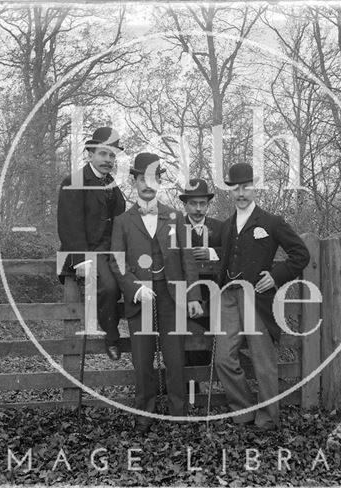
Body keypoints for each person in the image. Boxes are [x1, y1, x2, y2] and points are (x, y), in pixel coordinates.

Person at [109, 152, 203, 434]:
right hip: (140, 297)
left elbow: (187, 257)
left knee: (175, 358)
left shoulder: (174, 216)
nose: (147, 184)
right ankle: (144, 414)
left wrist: (194, 296)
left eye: (153, 178)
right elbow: (116, 260)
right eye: (142, 179)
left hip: (172, 296)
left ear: (159, 181)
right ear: (134, 182)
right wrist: (133, 289)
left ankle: (178, 412)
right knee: (142, 359)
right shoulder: (123, 221)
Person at [215, 162, 310, 431]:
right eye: (235, 188)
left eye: (246, 187)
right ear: (230, 191)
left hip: (257, 298)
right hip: (228, 298)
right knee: (223, 358)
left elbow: (300, 254)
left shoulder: (271, 222)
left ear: (254, 187)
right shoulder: (226, 225)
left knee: (263, 362)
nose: (241, 193)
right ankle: (243, 412)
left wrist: (276, 276)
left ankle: (268, 418)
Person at [57, 127, 125, 361]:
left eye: (112, 155)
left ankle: (144, 339)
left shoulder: (113, 186)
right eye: (104, 154)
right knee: (109, 287)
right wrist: (81, 261)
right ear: (90, 154)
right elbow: (69, 225)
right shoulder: (74, 182)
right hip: (89, 253)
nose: (108, 160)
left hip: (112, 252)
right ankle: (112, 337)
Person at [178, 178, 223, 370]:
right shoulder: (175, 226)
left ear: (208, 205)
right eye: (193, 204)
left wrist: (211, 253)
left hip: (212, 298)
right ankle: (188, 393)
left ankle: (201, 395)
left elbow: (233, 252)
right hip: (181, 297)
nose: (198, 209)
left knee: (204, 349)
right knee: (181, 348)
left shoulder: (220, 227)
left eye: (202, 204)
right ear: (185, 205)